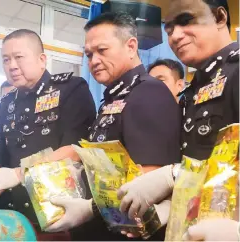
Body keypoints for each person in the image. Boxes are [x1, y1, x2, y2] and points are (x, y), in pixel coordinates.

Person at [44, 12, 181, 240]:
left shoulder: (148, 92)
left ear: (131, 46)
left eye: (102, 50)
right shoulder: (115, 97)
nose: (94, 60)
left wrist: (90, 208)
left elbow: (149, 178)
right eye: (88, 54)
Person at [118, 0, 239, 239]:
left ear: (220, 18)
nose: (175, 35)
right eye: (169, 29)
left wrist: (172, 176)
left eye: (186, 21)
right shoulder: (193, 92)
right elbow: (202, 165)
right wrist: (172, 205)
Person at [0, 29, 96, 240]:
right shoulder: (7, 103)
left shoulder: (70, 89)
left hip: (59, 211)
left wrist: (18, 174)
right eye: (6, 60)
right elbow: (4, 162)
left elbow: (75, 151)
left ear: (42, 59)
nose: (12, 66)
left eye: (19, 57)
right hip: (15, 216)